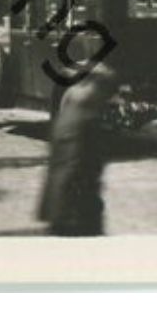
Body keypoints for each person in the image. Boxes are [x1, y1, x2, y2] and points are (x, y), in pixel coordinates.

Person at [37, 64, 119, 237]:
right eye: (104, 92)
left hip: (58, 206)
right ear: (94, 88)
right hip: (75, 211)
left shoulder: (68, 113)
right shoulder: (87, 120)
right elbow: (81, 166)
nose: (105, 99)